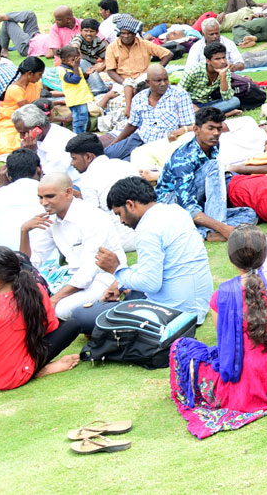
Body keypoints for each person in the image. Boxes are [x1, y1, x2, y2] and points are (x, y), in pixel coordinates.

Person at [168, 226, 267, 438]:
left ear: (231, 259)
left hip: (251, 387)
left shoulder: (223, 295)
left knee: (181, 349)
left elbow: (225, 346)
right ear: (265, 253)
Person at [72, 176, 215, 335]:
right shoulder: (175, 211)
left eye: (119, 214)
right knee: (129, 293)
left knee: (80, 316)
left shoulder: (147, 229)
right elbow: (162, 263)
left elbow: (150, 284)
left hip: (175, 314)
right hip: (198, 304)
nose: (121, 221)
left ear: (130, 204)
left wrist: (116, 270)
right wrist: (119, 283)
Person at [0, 247, 80, 391]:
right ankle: (39, 369)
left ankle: (34, 370)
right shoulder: (36, 289)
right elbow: (50, 327)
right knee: (72, 325)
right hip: (22, 371)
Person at [19, 172, 127, 320]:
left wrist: (54, 300)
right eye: (40, 197)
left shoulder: (92, 216)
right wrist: (24, 231)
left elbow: (87, 274)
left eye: (50, 196)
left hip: (104, 278)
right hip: (71, 278)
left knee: (61, 310)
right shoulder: (51, 219)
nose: (44, 202)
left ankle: (108, 306)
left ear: (68, 193)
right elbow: (31, 264)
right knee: (24, 300)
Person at [156, 107, 257, 241]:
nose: (216, 133)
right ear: (196, 129)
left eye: (219, 129)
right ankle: (217, 228)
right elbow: (186, 205)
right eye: (210, 128)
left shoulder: (213, 145)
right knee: (214, 166)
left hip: (198, 204)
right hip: (171, 205)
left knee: (249, 214)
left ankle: (206, 233)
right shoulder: (183, 158)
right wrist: (222, 227)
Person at [105, 65, 197, 160]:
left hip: (163, 144)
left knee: (127, 164)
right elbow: (132, 125)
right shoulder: (139, 98)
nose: (163, 84)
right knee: (106, 154)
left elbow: (187, 126)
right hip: (141, 137)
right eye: (158, 81)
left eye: (166, 80)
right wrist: (115, 143)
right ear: (148, 82)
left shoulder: (180, 95)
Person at [104, 18, 174, 115]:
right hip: (122, 80)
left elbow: (168, 54)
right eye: (123, 33)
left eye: (129, 33)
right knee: (124, 87)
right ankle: (128, 108)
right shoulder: (112, 47)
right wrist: (124, 83)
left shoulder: (144, 44)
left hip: (142, 77)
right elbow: (110, 71)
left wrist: (157, 69)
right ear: (119, 33)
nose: (126, 36)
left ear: (134, 33)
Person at [0, 56, 44, 158]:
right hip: (12, 121)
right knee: (11, 145)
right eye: (39, 75)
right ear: (30, 74)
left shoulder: (34, 84)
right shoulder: (15, 89)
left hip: (31, 117)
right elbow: (29, 110)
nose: (40, 78)